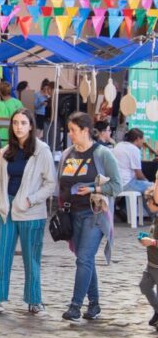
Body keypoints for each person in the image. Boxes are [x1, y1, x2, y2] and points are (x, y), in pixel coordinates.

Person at [0, 109, 56, 316]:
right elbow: (0, 180)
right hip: (7, 209)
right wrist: (1, 202)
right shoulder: (6, 150)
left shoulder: (41, 150)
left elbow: (50, 183)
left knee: (31, 258)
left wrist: (31, 199)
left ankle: (34, 300)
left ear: (31, 125)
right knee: (1, 255)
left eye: (23, 123)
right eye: (16, 122)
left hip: (31, 211)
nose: (19, 127)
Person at [59, 112, 122, 323]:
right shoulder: (68, 153)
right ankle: (94, 304)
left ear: (86, 131)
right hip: (72, 213)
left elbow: (117, 185)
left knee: (84, 258)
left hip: (94, 214)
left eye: (73, 131)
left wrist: (94, 188)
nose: (70, 135)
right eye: (69, 130)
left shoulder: (103, 154)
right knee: (84, 259)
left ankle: (75, 306)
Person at [114, 128, 156, 217]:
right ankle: (154, 215)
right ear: (137, 139)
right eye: (142, 139)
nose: (143, 141)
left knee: (144, 189)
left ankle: (152, 215)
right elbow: (139, 174)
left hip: (117, 182)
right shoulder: (134, 149)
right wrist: (148, 182)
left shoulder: (119, 145)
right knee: (153, 188)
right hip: (127, 183)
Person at [138, 185, 158, 329]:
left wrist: (152, 242)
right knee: (144, 286)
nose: (147, 204)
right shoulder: (155, 219)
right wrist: (146, 239)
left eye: (149, 201)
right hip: (151, 264)